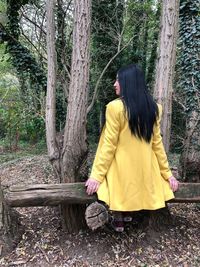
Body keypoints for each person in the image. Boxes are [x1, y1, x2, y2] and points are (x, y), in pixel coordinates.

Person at [85, 64, 179, 232]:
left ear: (129, 83)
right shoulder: (155, 108)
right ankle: (127, 213)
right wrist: (167, 174)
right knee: (129, 174)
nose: (114, 84)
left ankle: (120, 216)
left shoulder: (115, 107)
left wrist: (96, 176)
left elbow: (109, 145)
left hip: (123, 171)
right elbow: (157, 144)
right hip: (144, 171)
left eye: (118, 80)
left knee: (114, 170)